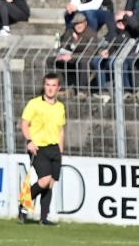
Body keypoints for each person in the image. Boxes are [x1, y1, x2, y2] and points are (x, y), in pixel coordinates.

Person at [19, 72, 66, 226]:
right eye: (47, 85)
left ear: (58, 87)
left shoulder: (60, 107)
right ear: (44, 86)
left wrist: (61, 149)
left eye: (53, 85)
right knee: (44, 180)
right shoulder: (34, 104)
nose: (50, 88)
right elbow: (24, 123)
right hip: (38, 147)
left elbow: (61, 130)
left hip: (54, 148)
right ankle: (24, 203)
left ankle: (43, 218)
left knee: (51, 182)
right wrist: (30, 141)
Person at [50, 12, 98, 99]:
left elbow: (89, 52)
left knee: (83, 61)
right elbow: (63, 45)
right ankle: (62, 88)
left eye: (80, 23)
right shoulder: (70, 31)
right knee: (51, 60)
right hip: (70, 57)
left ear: (85, 23)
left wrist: (72, 56)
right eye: (76, 24)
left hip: (86, 59)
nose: (78, 26)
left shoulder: (91, 34)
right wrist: (62, 53)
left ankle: (83, 91)